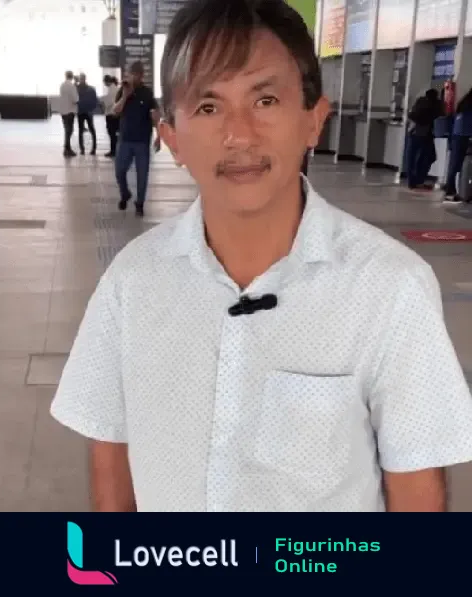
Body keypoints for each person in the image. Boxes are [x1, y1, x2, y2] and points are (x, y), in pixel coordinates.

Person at [50, 0, 472, 512]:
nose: (239, 135)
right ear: (172, 138)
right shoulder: (130, 283)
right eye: (208, 106)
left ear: (314, 121)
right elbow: (111, 454)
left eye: (265, 100)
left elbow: (417, 491)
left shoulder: (388, 287)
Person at [112, 61, 161, 216]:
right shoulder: (123, 90)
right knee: (119, 171)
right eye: (130, 73)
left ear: (141, 76)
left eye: (136, 74)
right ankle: (125, 193)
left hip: (142, 141)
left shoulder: (147, 93)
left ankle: (139, 203)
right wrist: (125, 96)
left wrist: (159, 136)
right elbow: (115, 111)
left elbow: (155, 116)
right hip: (125, 140)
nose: (132, 77)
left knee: (142, 174)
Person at [405, 88, 443, 190]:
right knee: (429, 156)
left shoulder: (420, 101)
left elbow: (411, 114)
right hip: (424, 134)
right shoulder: (435, 104)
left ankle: (413, 182)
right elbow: (441, 115)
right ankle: (418, 180)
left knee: (412, 158)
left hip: (413, 131)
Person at [443, 87, 472, 203]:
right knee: (461, 165)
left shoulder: (463, 104)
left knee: (455, 164)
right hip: (466, 136)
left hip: (457, 135)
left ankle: (451, 189)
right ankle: (457, 191)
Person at [76, 73, 98, 156]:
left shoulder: (91, 89)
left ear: (85, 78)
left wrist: (91, 110)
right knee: (81, 130)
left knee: (92, 129)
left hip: (88, 112)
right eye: (80, 78)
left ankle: (94, 149)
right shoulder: (76, 88)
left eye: (82, 78)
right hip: (80, 112)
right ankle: (82, 149)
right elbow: (74, 99)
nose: (81, 80)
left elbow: (94, 101)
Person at [59, 70, 79, 157]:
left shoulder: (62, 85)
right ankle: (67, 149)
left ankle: (67, 148)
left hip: (63, 111)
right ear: (72, 76)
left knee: (66, 130)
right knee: (69, 131)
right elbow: (76, 99)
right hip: (70, 111)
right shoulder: (72, 86)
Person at [102, 74, 119, 157]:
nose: (104, 84)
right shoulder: (114, 88)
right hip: (114, 114)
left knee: (112, 133)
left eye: (104, 82)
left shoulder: (112, 89)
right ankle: (115, 150)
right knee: (114, 133)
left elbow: (109, 102)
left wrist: (103, 101)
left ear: (107, 81)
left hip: (111, 114)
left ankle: (113, 151)